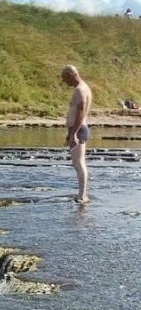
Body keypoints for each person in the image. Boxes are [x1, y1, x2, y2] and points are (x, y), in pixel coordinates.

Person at [62, 64, 92, 205]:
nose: (64, 81)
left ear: (73, 74)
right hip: (76, 129)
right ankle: (82, 194)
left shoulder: (80, 90)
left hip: (78, 129)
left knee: (79, 163)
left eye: (65, 78)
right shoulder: (82, 88)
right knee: (76, 162)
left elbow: (80, 113)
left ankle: (82, 195)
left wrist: (73, 133)